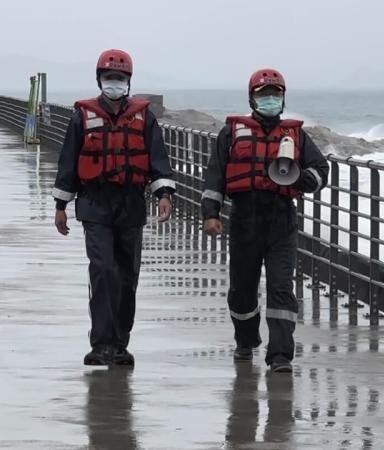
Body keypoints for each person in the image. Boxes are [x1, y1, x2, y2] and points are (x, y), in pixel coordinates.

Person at [52, 49, 176, 366]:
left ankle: (120, 344)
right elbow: (68, 161)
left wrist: (164, 195)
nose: (114, 83)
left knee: (126, 276)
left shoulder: (145, 118)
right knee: (103, 269)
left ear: (128, 82)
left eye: (120, 79)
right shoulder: (82, 116)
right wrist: (60, 205)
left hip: (131, 204)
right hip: (95, 203)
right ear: (100, 80)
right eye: (109, 78)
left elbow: (158, 160)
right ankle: (101, 344)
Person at [201, 68, 329, 373]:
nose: (270, 100)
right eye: (264, 95)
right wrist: (210, 214)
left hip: (281, 221)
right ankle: (245, 339)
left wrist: (307, 180)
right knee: (242, 290)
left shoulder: (296, 135)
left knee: (281, 287)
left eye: (275, 95)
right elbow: (215, 175)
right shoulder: (232, 134)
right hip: (245, 220)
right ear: (252, 98)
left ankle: (281, 355)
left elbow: (320, 168)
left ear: (283, 99)